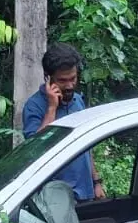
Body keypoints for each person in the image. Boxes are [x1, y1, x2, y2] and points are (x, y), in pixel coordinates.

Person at [20, 42, 104, 200]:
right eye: (62, 80)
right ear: (48, 78)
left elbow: (86, 145)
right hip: (56, 199)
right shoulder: (34, 106)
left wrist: (96, 181)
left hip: (85, 193)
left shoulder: (78, 101)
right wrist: (51, 108)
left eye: (73, 78)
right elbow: (34, 151)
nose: (69, 85)